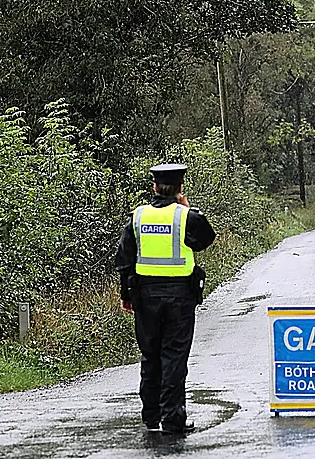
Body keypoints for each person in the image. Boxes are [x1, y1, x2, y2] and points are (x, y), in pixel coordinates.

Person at [115, 164, 216, 434]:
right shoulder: (185, 217)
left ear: (154, 187)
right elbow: (205, 239)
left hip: (145, 298)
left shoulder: (138, 217)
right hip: (179, 299)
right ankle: (173, 419)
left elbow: (124, 260)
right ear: (180, 189)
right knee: (174, 356)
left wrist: (126, 295)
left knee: (151, 356)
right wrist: (188, 207)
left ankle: (151, 416)